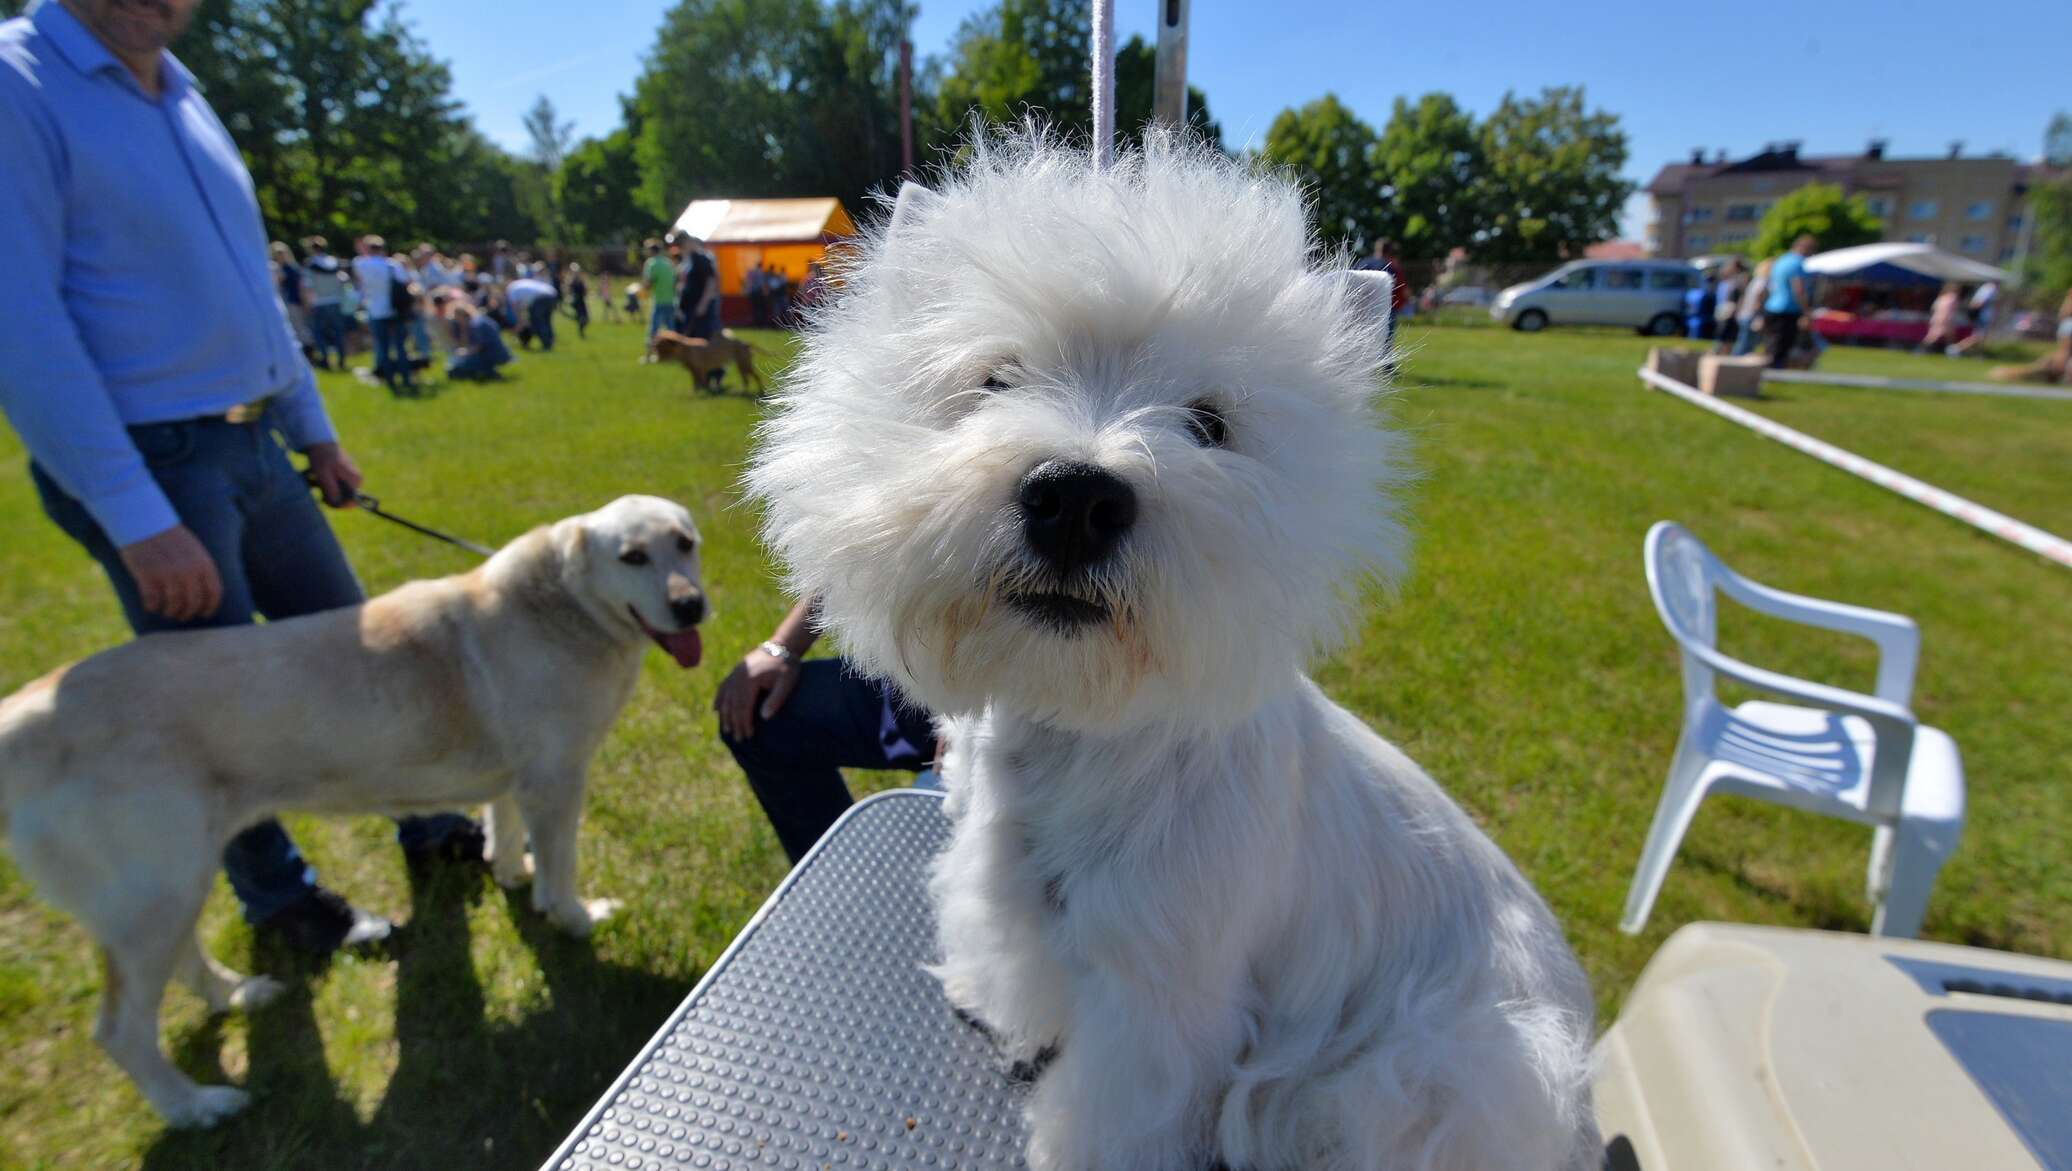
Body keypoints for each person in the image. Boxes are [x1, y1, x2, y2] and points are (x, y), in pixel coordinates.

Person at [0, 0, 480, 954]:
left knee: (367, 656)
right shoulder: (18, 83)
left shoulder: (187, 94)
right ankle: (281, 899)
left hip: (255, 443)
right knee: (217, 715)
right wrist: (136, 515)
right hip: (156, 460)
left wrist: (313, 430)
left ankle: (425, 820)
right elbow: (21, 322)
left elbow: (250, 295)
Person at [713, 597, 938, 863]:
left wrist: (970, 728)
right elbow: (855, 561)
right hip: (909, 691)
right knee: (763, 721)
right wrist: (784, 646)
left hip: (987, 713)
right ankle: (838, 877)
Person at [352, 234, 417, 395]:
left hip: (374, 310)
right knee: (401, 347)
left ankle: (389, 379)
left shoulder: (361, 264)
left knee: (383, 347)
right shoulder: (392, 265)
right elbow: (406, 282)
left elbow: (360, 283)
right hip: (395, 310)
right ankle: (406, 378)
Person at [1762, 233, 1818, 369]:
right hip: (1787, 309)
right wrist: (1806, 311)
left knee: (1770, 343)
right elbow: (1798, 290)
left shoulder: (1781, 260)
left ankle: (1765, 369)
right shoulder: (1798, 263)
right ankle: (1774, 370)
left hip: (1771, 306)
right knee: (1782, 344)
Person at [1352, 238, 1411, 352]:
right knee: (1385, 337)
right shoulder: (1390, 266)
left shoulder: (1363, 262)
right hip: (1384, 307)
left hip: (1360, 306)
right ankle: (1386, 365)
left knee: (1359, 336)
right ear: (1389, 251)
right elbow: (1397, 287)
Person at [302, 234, 351, 370]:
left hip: (319, 302)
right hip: (335, 301)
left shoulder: (310, 264)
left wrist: (307, 304)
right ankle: (342, 360)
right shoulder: (334, 262)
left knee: (319, 334)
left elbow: (308, 286)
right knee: (338, 333)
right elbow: (343, 280)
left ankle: (325, 360)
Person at [443, 302, 512, 381]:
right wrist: (463, 329)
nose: (457, 321)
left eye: (457, 318)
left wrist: (464, 353)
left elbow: (479, 346)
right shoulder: (474, 321)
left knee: (454, 370)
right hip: (491, 353)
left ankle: (490, 374)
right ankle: (487, 373)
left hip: (493, 354)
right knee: (458, 364)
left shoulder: (476, 324)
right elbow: (466, 344)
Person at [271, 239, 313, 360]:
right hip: (286, 302)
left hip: (296, 301)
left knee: (301, 328)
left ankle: (308, 354)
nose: (281, 256)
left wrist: (305, 301)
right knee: (294, 328)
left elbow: (301, 286)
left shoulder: (292, 268)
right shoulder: (276, 268)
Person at [677, 235, 721, 343]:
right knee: (690, 337)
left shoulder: (703, 259)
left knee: (703, 337)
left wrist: (704, 303)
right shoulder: (687, 259)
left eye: (686, 242)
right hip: (689, 304)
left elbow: (711, 282)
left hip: (700, 304)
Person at [640, 237, 678, 352]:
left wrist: (642, 290)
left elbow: (647, 284)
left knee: (653, 330)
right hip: (671, 300)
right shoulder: (668, 262)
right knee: (672, 330)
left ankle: (649, 354)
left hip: (659, 301)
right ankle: (674, 353)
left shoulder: (651, 263)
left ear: (651, 251)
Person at [505, 272, 559, 351]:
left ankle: (546, 344)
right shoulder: (518, 285)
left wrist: (520, 321)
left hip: (541, 297)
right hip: (552, 293)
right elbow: (525, 304)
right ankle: (550, 341)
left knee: (538, 321)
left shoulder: (510, 290)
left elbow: (515, 307)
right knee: (546, 320)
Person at [1732, 257, 1771, 357]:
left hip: (1745, 314)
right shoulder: (1763, 282)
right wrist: (1759, 317)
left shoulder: (1756, 281)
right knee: (1746, 344)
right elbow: (1758, 301)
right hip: (1751, 315)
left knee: (1742, 342)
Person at [1712, 258, 1746, 354]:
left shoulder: (1738, 280)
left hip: (1729, 310)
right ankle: (1718, 354)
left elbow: (1739, 297)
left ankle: (1724, 355)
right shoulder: (1726, 280)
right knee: (1720, 334)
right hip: (1722, 308)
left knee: (1726, 336)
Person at [1922, 281, 1964, 353]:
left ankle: (1922, 349)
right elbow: (1949, 310)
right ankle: (1951, 351)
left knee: (1936, 335)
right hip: (1945, 319)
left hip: (1936, 317)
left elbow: (1933, 308)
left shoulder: (1941, 297)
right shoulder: (1953, 297)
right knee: (1938, 336)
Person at [565, 262, 590, 339]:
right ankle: (581, 332)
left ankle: (581, 331)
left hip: (581, 301)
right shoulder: (571, 281)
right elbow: (568, 291)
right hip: (576, 302)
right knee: (582, 318)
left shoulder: (581, 280)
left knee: (585, 319)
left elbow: (585, 290)